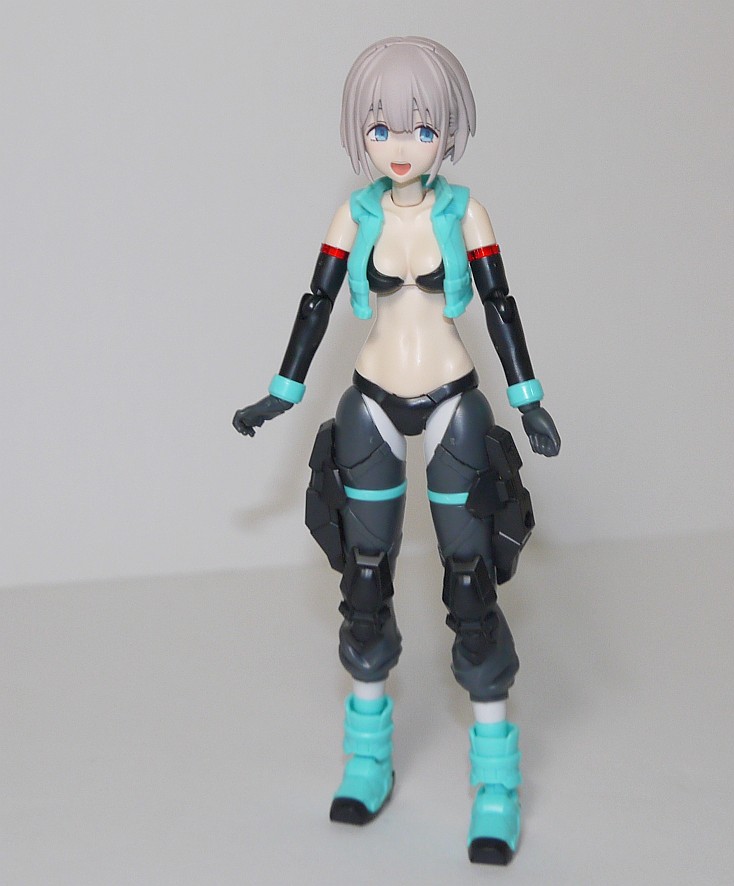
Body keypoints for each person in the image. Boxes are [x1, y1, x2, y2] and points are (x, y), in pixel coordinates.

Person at [233, 36, 560, 865]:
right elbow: (315, 302)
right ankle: (368, 760)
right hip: (372, 397)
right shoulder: (356, 214)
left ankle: (495, 785)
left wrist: (528, 398)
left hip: (452, 398)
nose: (401, 147)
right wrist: (283, 390)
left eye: (420, 128)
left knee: (472, 587)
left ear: (447, 129)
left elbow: (501, 304)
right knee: (364, 583)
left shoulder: (467, 213)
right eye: (381, 129)